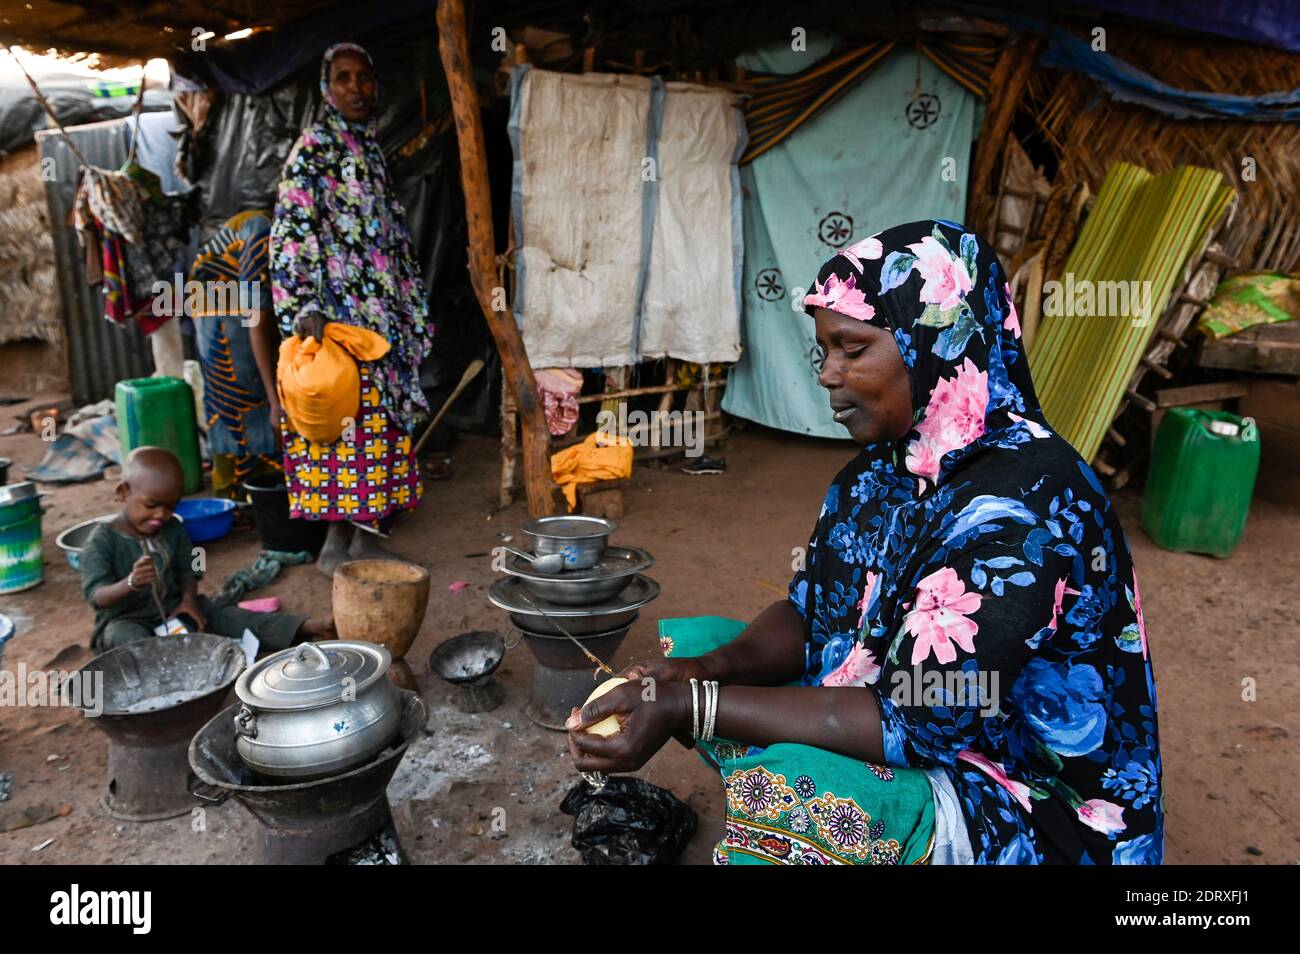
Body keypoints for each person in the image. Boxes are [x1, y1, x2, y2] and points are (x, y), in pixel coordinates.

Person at [568, 220, 1163, 865]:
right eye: (823, 350)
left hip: (1020, 795)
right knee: (697, 650)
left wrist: (694, 705)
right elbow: (809, 612)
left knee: (796, 794)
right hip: (902, 715)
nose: (828, 374)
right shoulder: (879, 472)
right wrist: (700, 675)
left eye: (852, 348)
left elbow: (914, 720)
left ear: (931, 342)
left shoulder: (1025, 510)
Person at [270, 42, 431, 575]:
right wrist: (305, 304)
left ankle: (364, 539)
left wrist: (408, 303)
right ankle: (335, 546)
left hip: (381, 317)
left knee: (379, 426)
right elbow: (291, 230)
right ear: (327, 88)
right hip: (339, 316)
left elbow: (387, 235)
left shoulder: (370, 148)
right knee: (346, 423)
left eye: (364, 77)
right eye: (344, 78)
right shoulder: (314, 147)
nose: (357, 87)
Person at [79, 447, 335, 652]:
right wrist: (131, 583)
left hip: (176, 609)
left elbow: (195, 563)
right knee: (129, 640)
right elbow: (96, 596)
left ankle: (307, 627)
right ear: (123, 492)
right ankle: (163, 672)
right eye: (151, 505)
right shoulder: (101, 541)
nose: (161, 515)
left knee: (226, 616)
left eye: (171, 507)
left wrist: (189, 600)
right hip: (126, 621)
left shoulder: (173, 527)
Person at [189, 209, 283, 499]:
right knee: (241, 387)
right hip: (217, 303)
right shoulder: (262, 232)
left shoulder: (277, 234)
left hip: (219, 298)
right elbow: (257, 325)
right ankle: (241, 493)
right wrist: (275, 402)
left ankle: (257, 487)